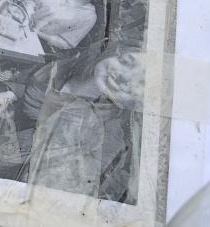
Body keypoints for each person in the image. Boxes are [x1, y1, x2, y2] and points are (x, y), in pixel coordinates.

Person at [24, 47, 145, 202]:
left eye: (137, 82)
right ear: (116, 53)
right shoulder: (72, 64)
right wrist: (9, 92)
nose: (120, 75)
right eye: (126, 62)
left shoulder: (106, 136)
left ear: (134, 101)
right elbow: (25, 75)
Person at [25, 0, 113, 50]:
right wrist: (27, 18)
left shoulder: (90, 16)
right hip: (21, 19)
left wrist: (37, 33)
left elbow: (66, 43)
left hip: (36, 43)